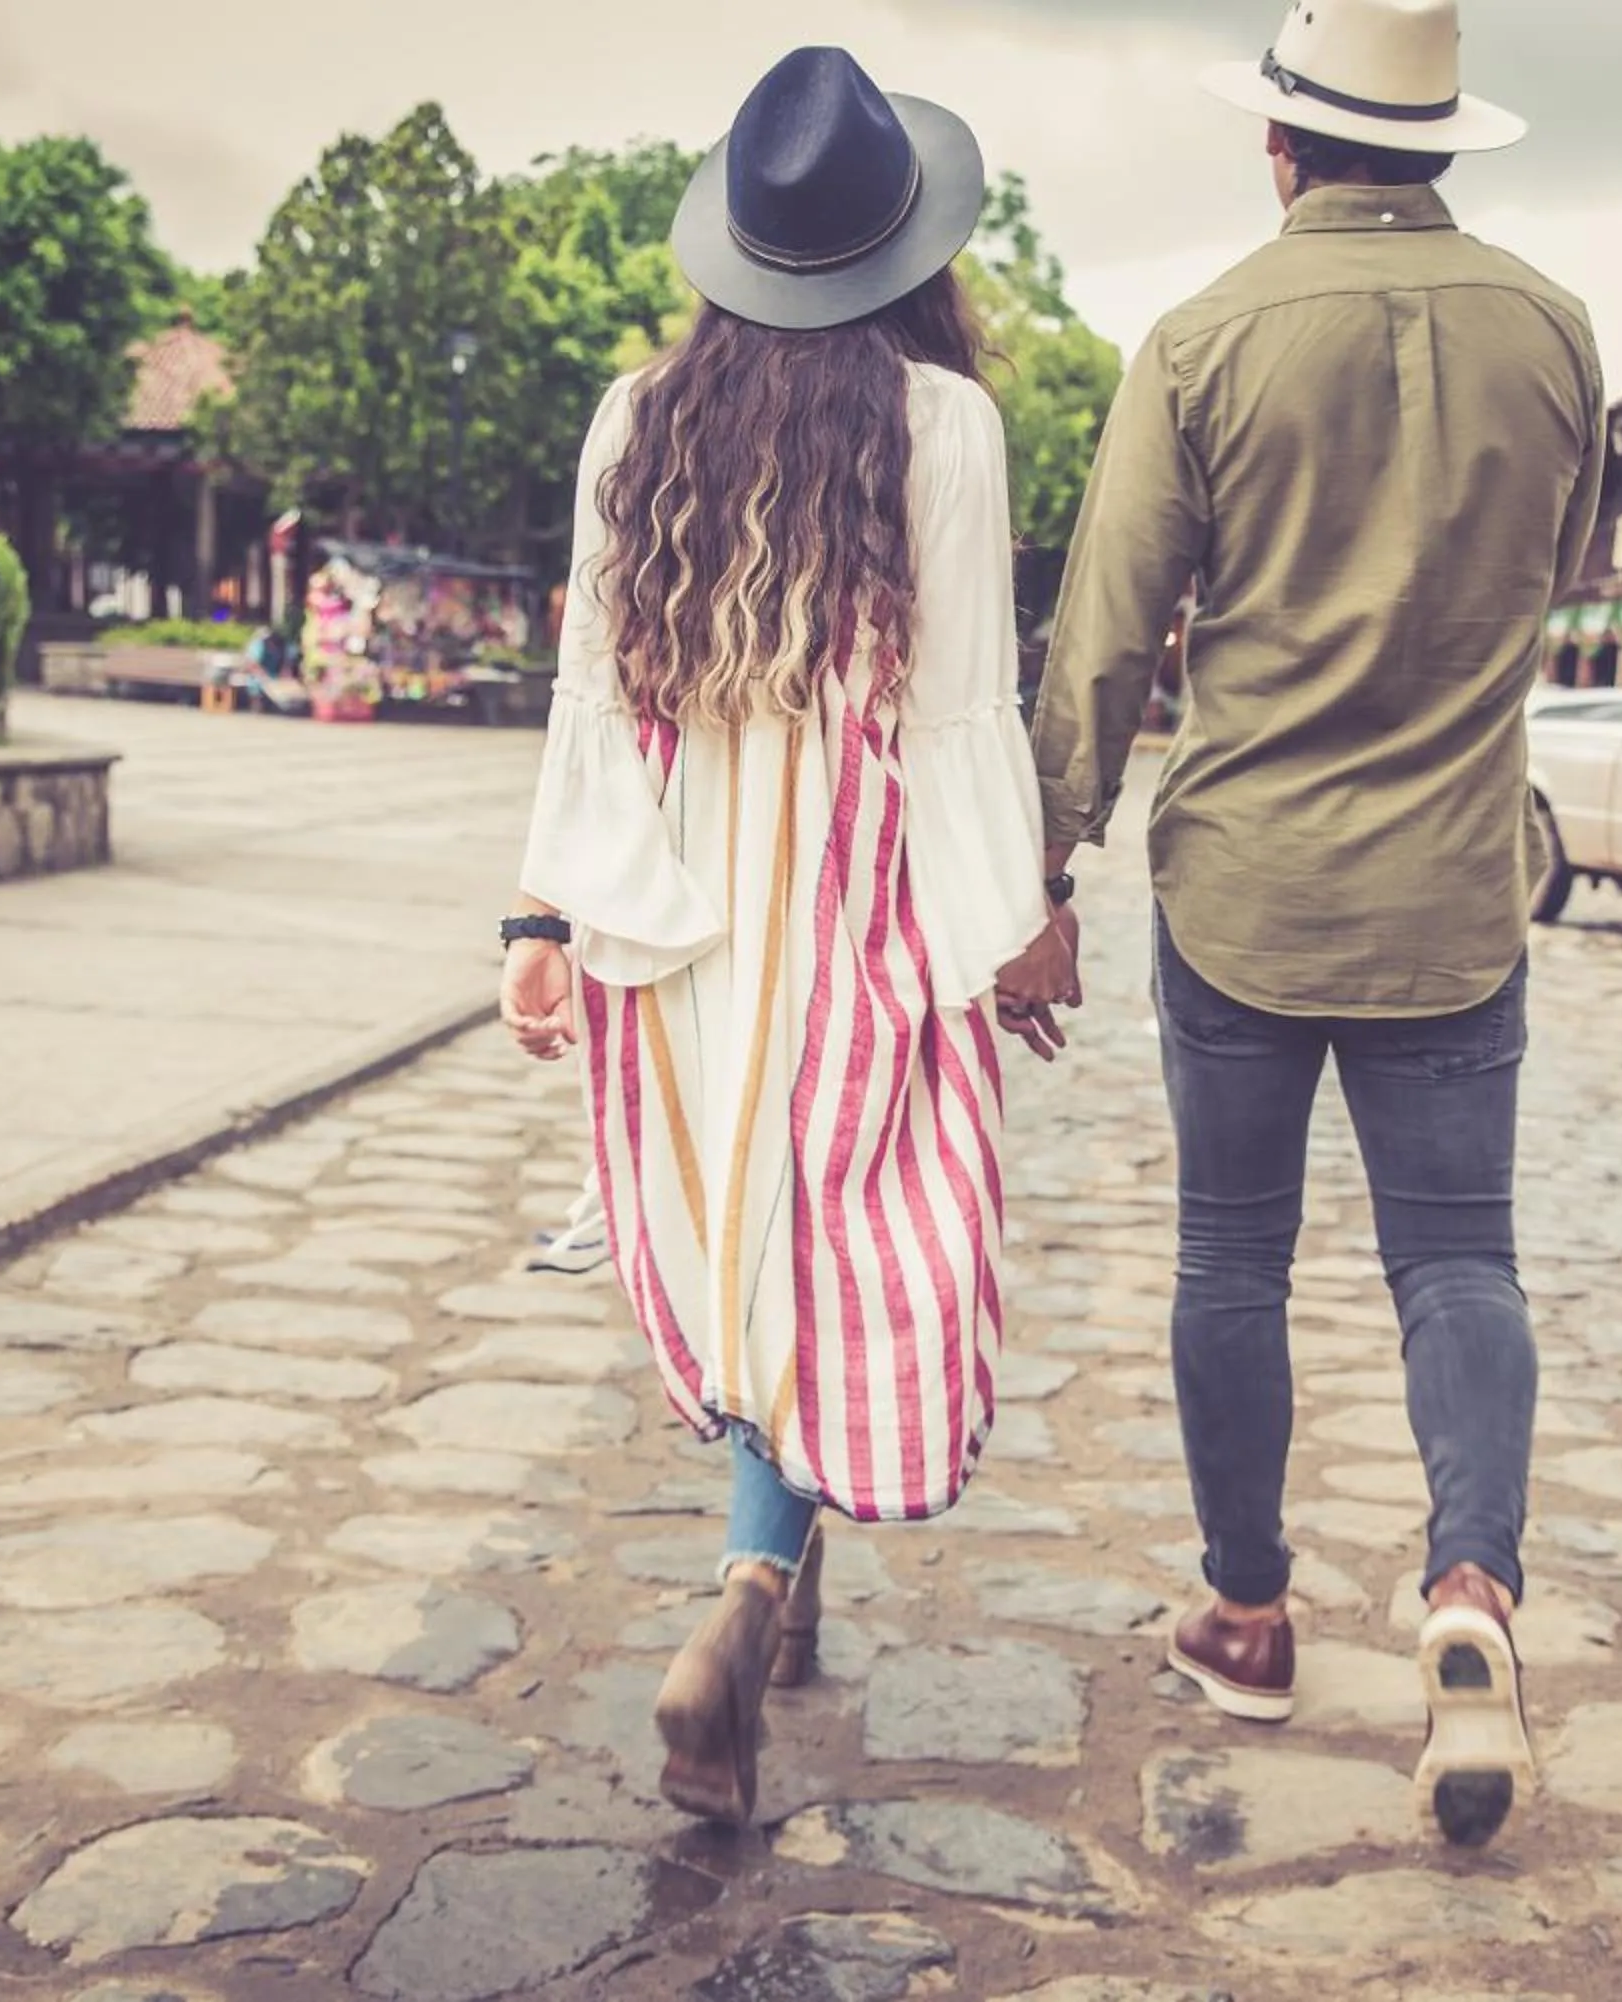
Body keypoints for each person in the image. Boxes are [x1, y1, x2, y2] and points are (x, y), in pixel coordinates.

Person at [1012, 0, 1607, 1850]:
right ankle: (1470, 1597)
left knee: (1229, 1256)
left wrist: (1043, 864)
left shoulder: (1196, 341)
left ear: (1281, 146)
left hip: (1247, 885)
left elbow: (1105, 631)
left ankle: (1250, 1614)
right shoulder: (1556, 333)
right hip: (1453, 890)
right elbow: (1546, 584)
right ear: (1441, 147)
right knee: (1459, 1261)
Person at [499, 46, 1064, 1827]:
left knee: (751, 1244)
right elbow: (965, 717)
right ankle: (752, 1590)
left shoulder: (633, 418)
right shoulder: (946, 429)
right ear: (907, 253)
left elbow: (588, 695)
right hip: (865, 916)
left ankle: (766, 1585)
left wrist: (539, 912)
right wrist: (1014, 927)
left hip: (675, 933)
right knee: (863, 1247)